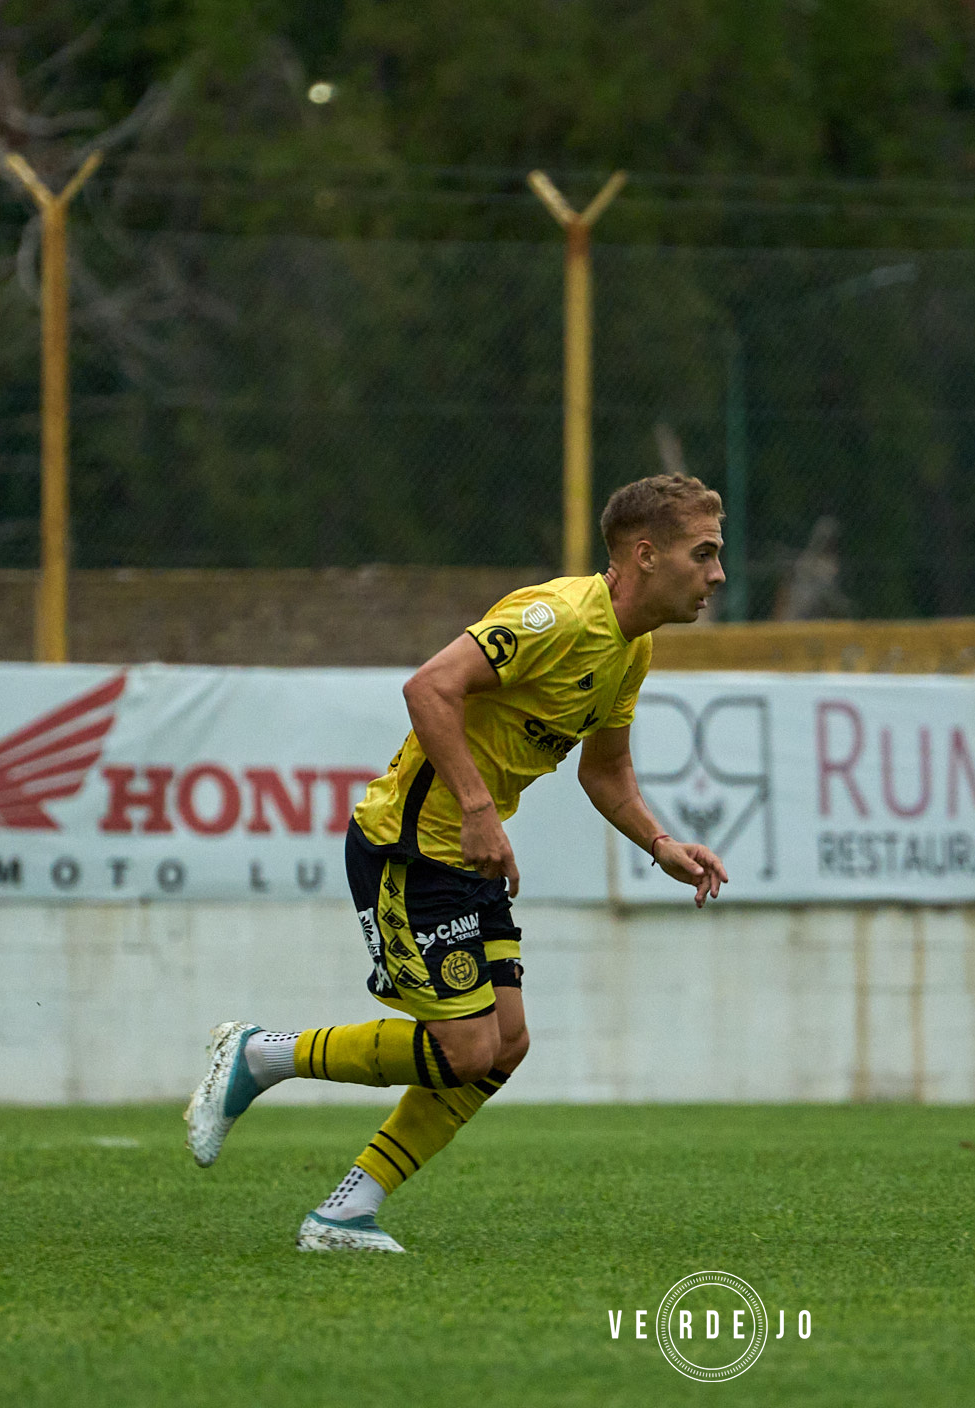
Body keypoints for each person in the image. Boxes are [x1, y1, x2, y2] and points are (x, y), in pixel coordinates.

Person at [183, 472, 733, 1252]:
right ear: (645, 555)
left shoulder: (631, 650)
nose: (717, 575)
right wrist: (479, 809)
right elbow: (430, 687)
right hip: (407, 849)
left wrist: (661, 844)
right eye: (703, 554)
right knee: (466, 1047)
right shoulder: (554, 618)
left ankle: (343, 1213)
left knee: (505, 1046)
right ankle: (259, 1054)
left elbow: (604, 772)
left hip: (471, 857)